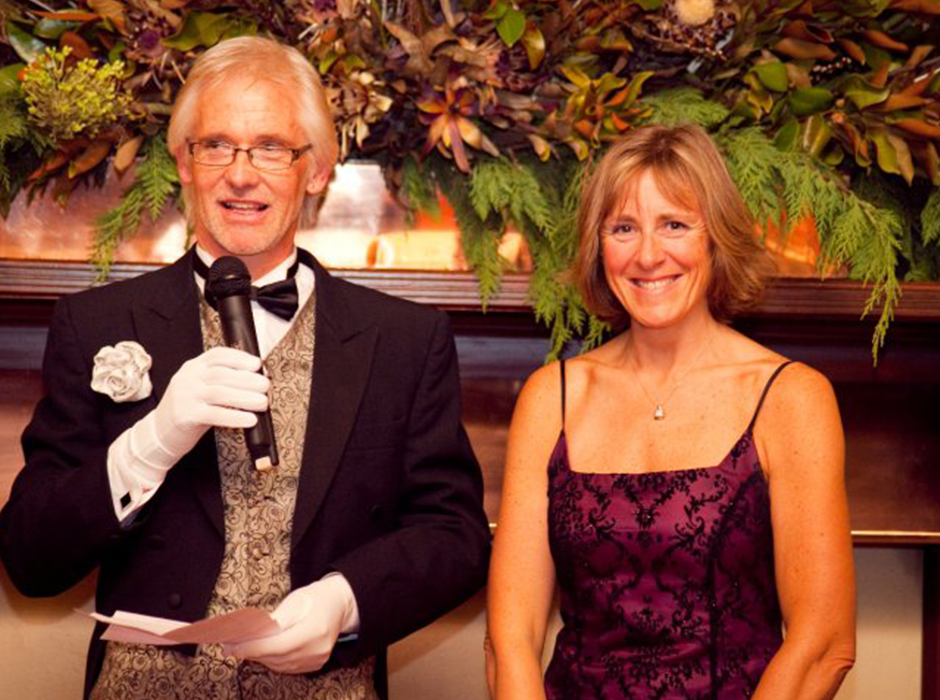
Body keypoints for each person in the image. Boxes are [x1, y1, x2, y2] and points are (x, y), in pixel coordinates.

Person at [0, 36, 489, 700]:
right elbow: (30, 559)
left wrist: (346, 601)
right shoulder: (97, 325)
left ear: (316, 170)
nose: (240, 173)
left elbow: (455, 538)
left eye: (270, 148)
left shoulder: (405, 339)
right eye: (216, 145)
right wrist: (148, 445)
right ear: (183, 163)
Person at [486, 124, 856, 699]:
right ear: (598, 245)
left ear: (716, 238)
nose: (648, 255)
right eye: (624, 228)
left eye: (675, 225)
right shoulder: (550, 397)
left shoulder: (790, 398)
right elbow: (511, 637)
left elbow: (823, 642)